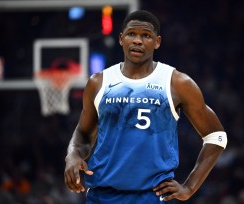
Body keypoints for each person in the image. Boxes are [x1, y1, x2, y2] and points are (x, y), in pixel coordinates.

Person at [64, 10, 227, 203]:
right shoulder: (98, 82)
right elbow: (83, 134)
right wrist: (73, 154)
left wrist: (189, 187)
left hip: (153, 197)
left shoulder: (177, 83)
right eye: (132, 34)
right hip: (102, 196)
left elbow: (217, 137)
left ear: (157, 42)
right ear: (121, 38)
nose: (138, 41)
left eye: (146, 35)